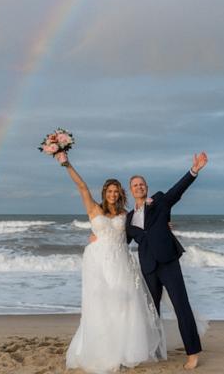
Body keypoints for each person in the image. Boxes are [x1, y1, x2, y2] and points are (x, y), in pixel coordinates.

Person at [53, 152, 166, 373]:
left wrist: (164, 225)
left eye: (116, 191)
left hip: (121, 261)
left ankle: (124, 350)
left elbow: (144, 226)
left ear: (120, 194)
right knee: (101, 304)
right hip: (98, 262)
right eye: (110, 191)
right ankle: (103, 349)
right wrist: (67, 164)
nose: (113, 194)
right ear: (105, 193)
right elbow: (82, 186)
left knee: (124, 304)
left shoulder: (126, 214)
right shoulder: (94, 208)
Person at [126, 152, 208, 370]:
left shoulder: (161, 201)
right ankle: (155, 349)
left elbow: (177, 191)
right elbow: (120, 241)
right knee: (151, 312)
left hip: (168, 262)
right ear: (130, 190)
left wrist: (194, 171)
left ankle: (193, 352)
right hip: (148, 268)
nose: (139, 187)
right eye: (135, 185)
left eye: (141, 184)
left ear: (146, 187)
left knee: (182, 307)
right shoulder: (127, 218)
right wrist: (98, 236)